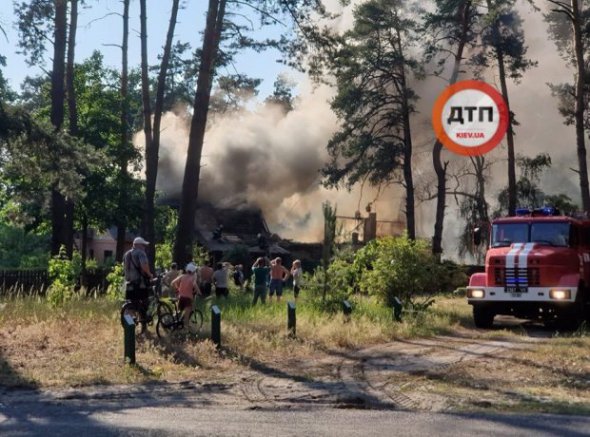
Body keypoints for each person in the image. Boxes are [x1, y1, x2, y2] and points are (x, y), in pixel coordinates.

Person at [123, 237, 154, 325]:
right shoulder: (141, 253)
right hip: (140, 283)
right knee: (145, 302)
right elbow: (144, 265)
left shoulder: (127, 254)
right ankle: (144, 323)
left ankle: (129, 325)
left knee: (131, 305)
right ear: (138, 245)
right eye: (143, 245)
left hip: (129, 283)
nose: (144, 247)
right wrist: (149, 274)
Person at [171, 262, 201, 328]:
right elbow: (195, 286)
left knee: (179, 312)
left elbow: (173, 283)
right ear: (193, 271)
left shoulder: (182, 276)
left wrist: (177, 289)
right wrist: (199, 293)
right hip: (188, 299)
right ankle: (186, 332)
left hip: (181, 297)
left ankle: (171, 322)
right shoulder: (192, 278)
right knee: (186, 317)